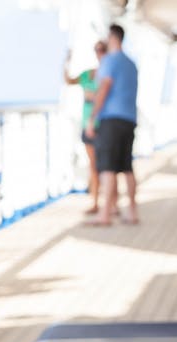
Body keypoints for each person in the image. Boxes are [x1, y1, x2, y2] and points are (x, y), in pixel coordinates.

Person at [85, 24, 138, 226]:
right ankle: (132, 212)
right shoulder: (132, 64)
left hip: (111, 120)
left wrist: (92, 117)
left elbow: (104, 87)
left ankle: (105, 214)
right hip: (129, 119)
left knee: (107, 168)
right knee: (127, 167)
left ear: (113, 37)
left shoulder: (109, 60)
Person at [64, 40, 116, 215]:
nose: (99, 53)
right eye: (97, 50)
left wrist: (94, 96)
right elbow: (69, 80)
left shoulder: (109, 74)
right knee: (93, 166)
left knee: (109, 166)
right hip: (88, 125)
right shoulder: (89, 74)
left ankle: (112, 204)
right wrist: (67, 61)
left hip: (105, 125)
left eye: (102, 50)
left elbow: (110, 96)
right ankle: (95, 202)